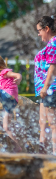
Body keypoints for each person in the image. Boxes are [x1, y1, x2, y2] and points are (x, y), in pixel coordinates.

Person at [35, 15, 56, 154]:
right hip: (45, 90)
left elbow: (53, 67)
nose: (38, 33)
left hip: (50, 89)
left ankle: (54, 154)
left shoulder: (54, 43)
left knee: (53, 123)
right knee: (43, 122)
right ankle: (42, 153)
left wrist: (45, 86)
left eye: (40, 30)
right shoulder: (51, 44)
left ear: (47, 29)